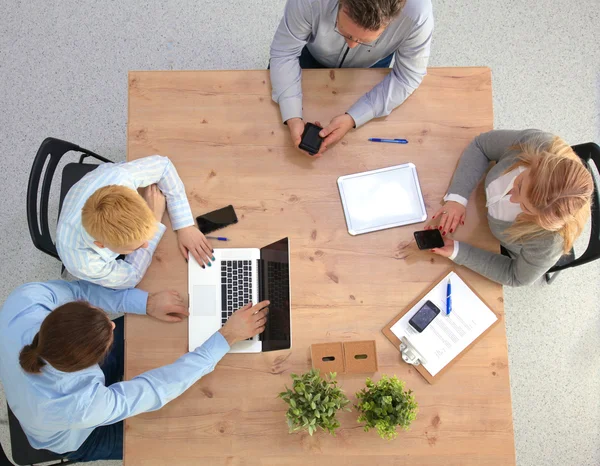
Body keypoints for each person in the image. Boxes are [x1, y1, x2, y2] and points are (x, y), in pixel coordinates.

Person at [0, 279, 269, 461]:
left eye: (98, 314)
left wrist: (144, 303)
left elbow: (80, 289)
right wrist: (225, 337)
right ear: (91, 363)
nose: (113, 325)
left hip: (45, 394)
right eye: (107, 339)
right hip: (77, 434)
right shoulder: (81, 406)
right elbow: (154, 390)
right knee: (175, 437)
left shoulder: (28, 300)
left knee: (155, 334)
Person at [427, 129, 594, 286]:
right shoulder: (537, 143)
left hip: (489, 241)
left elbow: (515, 276)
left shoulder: (549, 243)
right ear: (537, 161)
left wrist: (457, 251)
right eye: (520, 184)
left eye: (526, 208)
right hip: (476, 210)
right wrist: (457, 198)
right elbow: (481, 145)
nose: (512, 198)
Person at [269, 0, 433, 156]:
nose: (352, 45)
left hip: (369, 67)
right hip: (309, 53)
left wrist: (355, 117)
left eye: (365, 40)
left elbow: (407, 77)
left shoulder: (418, 14)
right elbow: (285, 52)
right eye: (344, 32)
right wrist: (291, 114)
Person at [57, 155, 214, 290]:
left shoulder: (119, 178)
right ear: (101, 245)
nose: (146, 245)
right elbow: (132, 277)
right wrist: (155, 219)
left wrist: (184, 225)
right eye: (136, 247)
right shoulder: (84, 264)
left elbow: (164, 165)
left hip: (100, 179)